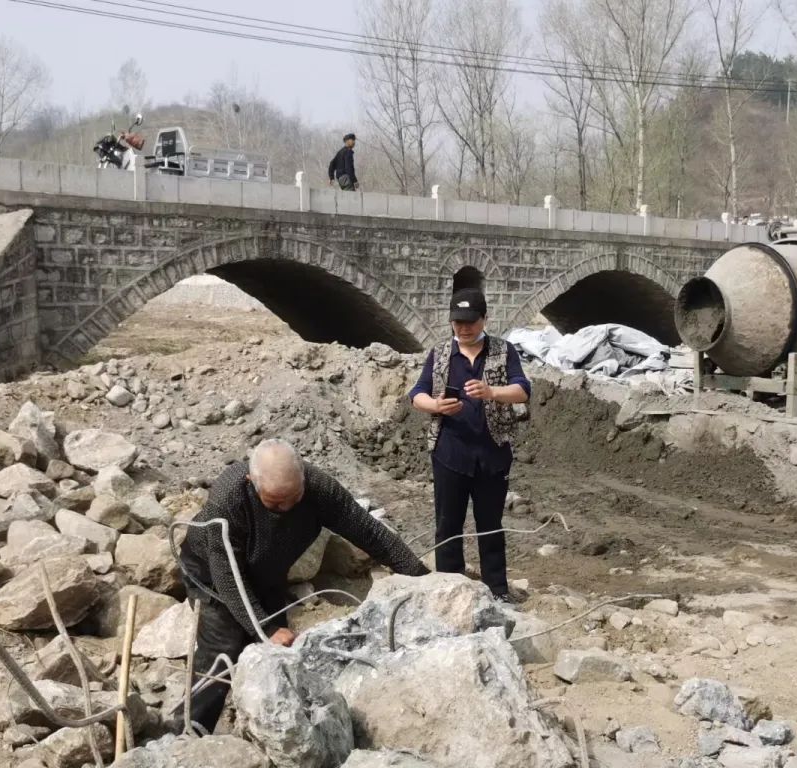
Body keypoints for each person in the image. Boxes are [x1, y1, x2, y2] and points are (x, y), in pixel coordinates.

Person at [176, 438, 427, 733]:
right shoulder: (229, 497)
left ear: (302, 478)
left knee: (279, 656)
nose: (286, 507)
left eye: (294, 497)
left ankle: (270, 732)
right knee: (225, 644)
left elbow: (369, 532)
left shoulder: (319, 490)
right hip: (211, 574)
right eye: (275, 502)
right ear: (251, 483)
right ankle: (186, 733)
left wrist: (421, 577)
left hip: (266, 574)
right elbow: (227, 575)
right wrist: (264, 628)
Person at [409, 288, 531, 601]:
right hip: (450, 453)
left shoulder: (503, 351)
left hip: (492, 454)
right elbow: (417, 394)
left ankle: (497, 590)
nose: (464, 328)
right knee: (447, 524)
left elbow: (522, 390)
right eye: (458, 322)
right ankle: (449, 588)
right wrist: (436, 405)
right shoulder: (439, 354)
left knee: (490, 524)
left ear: (484, 319)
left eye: (471, 322)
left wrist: (492, 392)